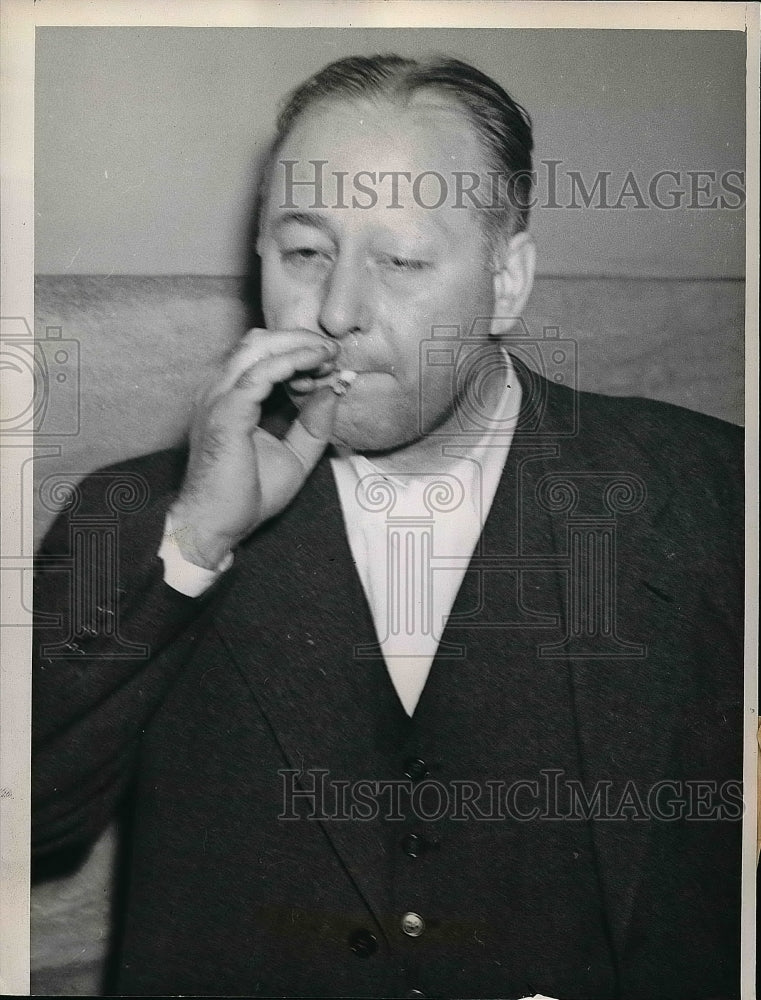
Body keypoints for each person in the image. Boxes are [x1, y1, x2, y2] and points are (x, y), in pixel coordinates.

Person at [32, 55, 743, 999]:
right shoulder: (133, 523)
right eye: (303, 252)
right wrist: (194, 545)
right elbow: (27, 829)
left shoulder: (717, 496)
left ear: (506, 281)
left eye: (402, 260)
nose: (335, 311)